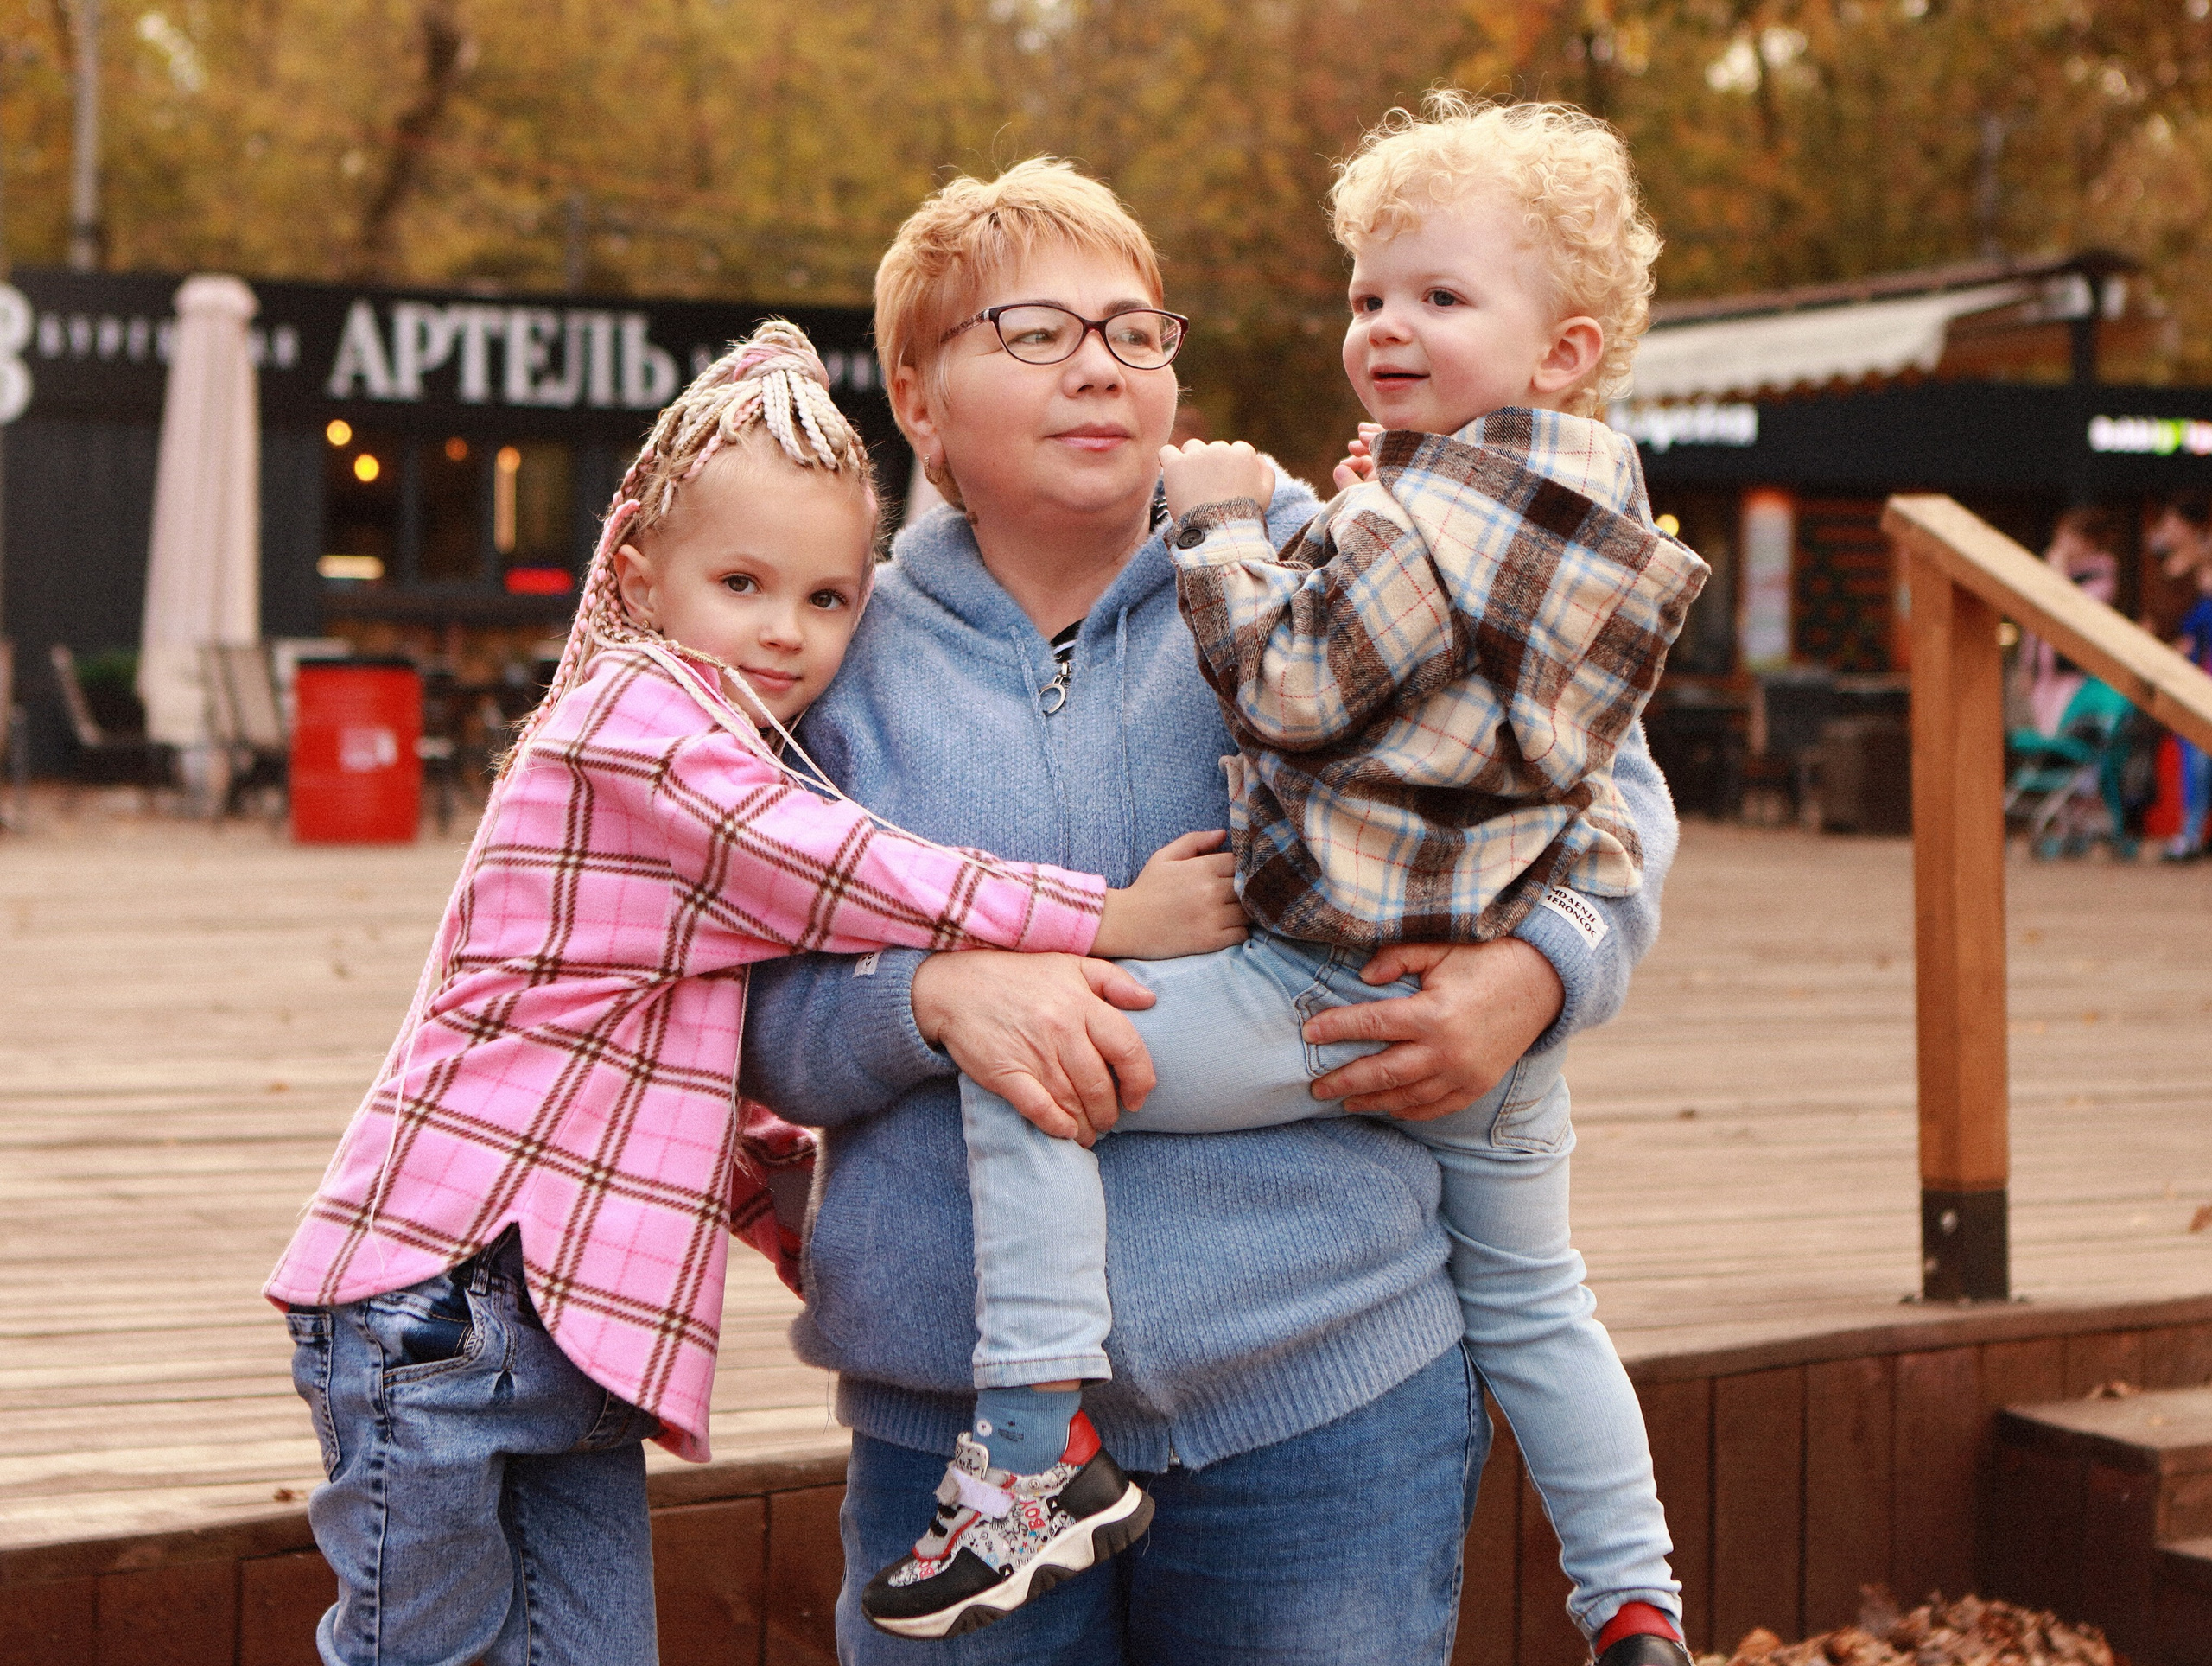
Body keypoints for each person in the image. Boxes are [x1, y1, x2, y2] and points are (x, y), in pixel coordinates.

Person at [739, 156, 1685, 1663]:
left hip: (1323, 1395)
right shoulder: (824, 654)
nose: (1100, 368)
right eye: (1035, 334)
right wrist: (932, 999)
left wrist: (1535, 976)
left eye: (1135, 330)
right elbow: (749, 1014)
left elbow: (1608, 790)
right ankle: (1033, 1457)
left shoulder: (1338, 549)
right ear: (917, 401)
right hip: (954, 1431)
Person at [262, 321, 1244, 1666]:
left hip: (571, 1319)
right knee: (417, 1653)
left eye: (831, 598)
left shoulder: (721, 749)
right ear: (640, 575)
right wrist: (1108, 915)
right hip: (443, 1294)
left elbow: (661, 1048)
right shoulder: (636, 721)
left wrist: (785, 1210)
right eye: (742, 582)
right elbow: (841, 869)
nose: (787, 632)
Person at [2149, 494, 2212, 859]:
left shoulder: (2203, 570)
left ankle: (2191, 834)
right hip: (2184, 674)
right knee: (2196, 753)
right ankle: (2190, 833)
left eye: (2173, 523)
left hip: (2199, 672)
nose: (2166, 532)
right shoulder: (2166, 568)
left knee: (2200, 752)